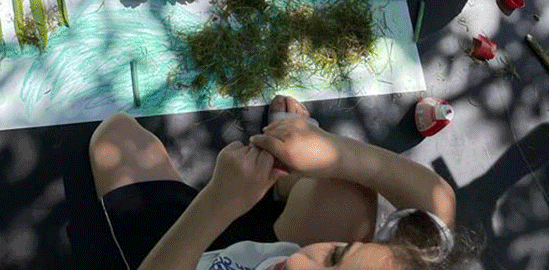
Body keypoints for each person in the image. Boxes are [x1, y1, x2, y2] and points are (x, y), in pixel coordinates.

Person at [89, 95, 459, 270]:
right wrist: (335, 151)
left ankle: (273, 177)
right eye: (335, 256)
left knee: (114, 137)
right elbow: (439, 203)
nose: (298, 266)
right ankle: (285, 171)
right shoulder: (293, 260)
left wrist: (217, 204)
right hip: (258, 245)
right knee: (348, 191)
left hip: (175, 255)